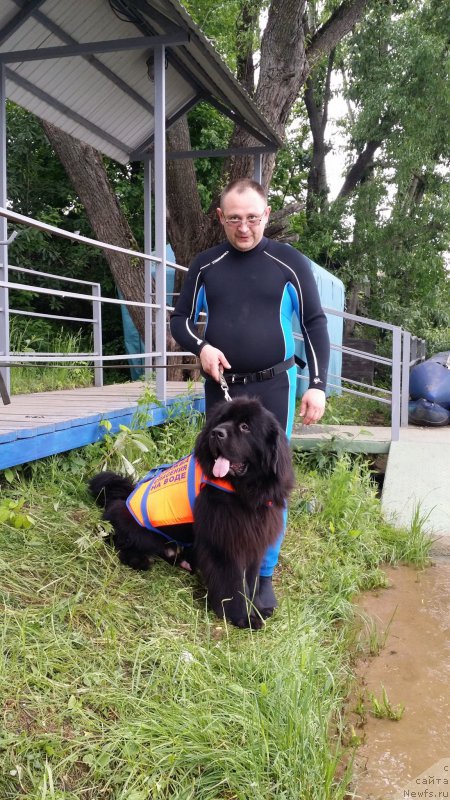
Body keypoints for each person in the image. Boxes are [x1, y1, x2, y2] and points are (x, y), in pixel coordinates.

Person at [170, 178, 330, 613]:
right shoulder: (206, 264)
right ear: (221, 218)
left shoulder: (289, 262)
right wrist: (201, 348)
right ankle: (222, 559)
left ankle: (262, 573)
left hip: (275, 385)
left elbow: (315, 323)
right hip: (223, 386)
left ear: (267, 214)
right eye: (235, 219)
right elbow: (179, 320)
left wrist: (317, 385)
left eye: (253, 218)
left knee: (270, 481)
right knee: (219, 472)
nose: (244, 228)